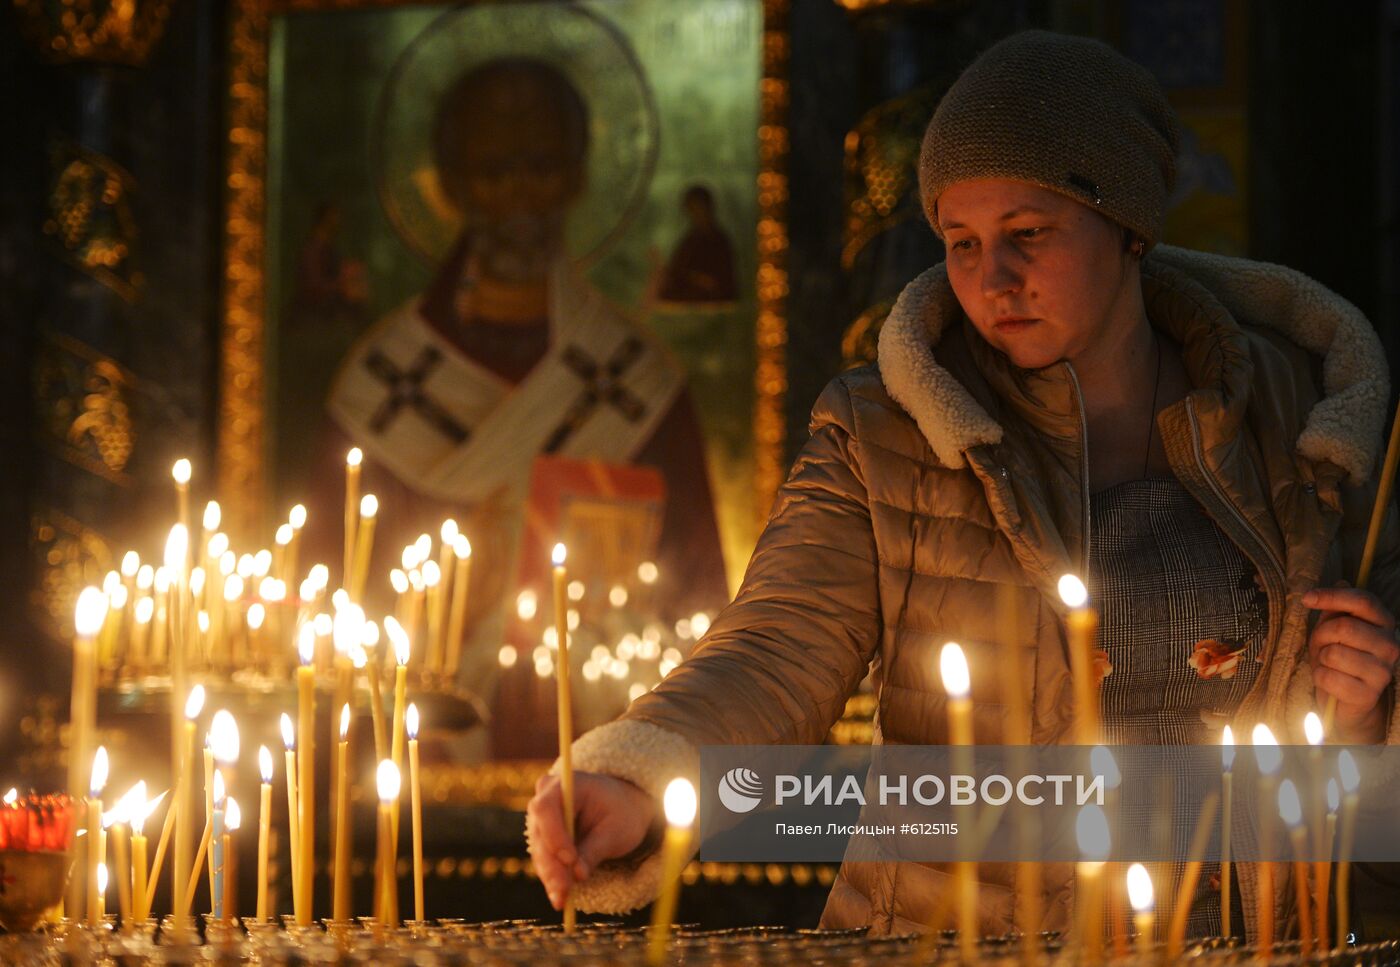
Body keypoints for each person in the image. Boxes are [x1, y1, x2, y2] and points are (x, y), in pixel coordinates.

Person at [525, 30, 1400, 939]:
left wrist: (1374, 704)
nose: (994, 279)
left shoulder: (1299, 411)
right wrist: (634, 777)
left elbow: (1381, 613)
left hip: (1261, 940)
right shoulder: (889, 433)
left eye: (1028, 234)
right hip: (968, 941)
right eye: (961, 240)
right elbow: (777, 643)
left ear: (1130, 226)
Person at [314, 59, 729, 705]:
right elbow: (325, 603)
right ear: (452, 184)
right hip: (410, 737)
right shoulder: (382, 383)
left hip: (604, 742)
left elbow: (698, 607)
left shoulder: (636, 382)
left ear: (576, 176)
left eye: (541, 165)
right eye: (493, 170)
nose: (519, 195)